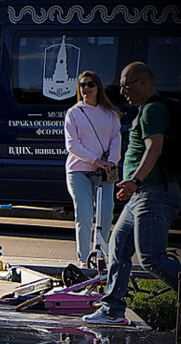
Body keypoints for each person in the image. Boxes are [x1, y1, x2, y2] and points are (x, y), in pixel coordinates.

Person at [83, 62, 181, 325]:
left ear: (144, 82)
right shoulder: (144, 111)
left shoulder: (153, 110)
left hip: (153, 192)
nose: (123, 91)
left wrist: (135, 180)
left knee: (151, 257)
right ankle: (113, 308)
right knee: (119, 246)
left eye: (127, 85)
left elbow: (154, 148)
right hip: (140, 194)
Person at [64, 70, 121, 270]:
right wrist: (96, 160)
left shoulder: (111, 114)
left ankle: (101, 255)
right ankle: (84, 260)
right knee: (85, 215)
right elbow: (72, 145)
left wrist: (111, 162)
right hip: (79, 170)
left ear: (98, 87)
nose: (86, 88)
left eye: (90, 84)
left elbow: (116, 140)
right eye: (82, 85)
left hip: (105, 171)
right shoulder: (74, 112)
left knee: (106, 214)